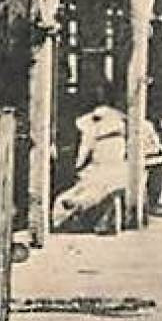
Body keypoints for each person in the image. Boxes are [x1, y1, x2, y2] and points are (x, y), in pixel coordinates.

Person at [52, 96, 128, 225]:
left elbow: (81, 157)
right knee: (101, 186)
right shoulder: (120, 132)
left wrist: (75, 167)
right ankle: (81, 205)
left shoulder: (91, 133)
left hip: (100, 168)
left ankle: (78, 205)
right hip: (115, 168)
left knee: (90, 187)